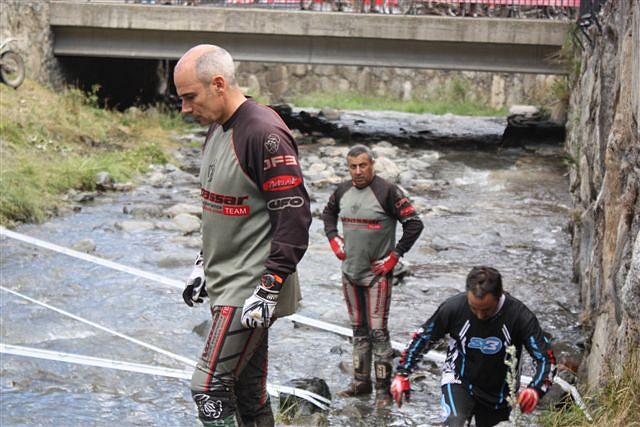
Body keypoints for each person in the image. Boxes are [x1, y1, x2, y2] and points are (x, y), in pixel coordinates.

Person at [174, 44, 311, 427]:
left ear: (218, 84)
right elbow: (216, 203)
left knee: (208, 387)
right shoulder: (217, 128)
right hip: (223, 279)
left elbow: (295, 215)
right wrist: (202, 263)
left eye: (190, 97)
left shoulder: (264, 133)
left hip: (250, 287)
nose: (185, 108)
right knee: (248, 394)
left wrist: (269, 287)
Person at [321, 144, 424, 405]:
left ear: (372, 165)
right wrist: (334, 239)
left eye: (363, 165)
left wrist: (395, 255)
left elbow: (414, 224)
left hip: (377, 276)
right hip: (349, 273)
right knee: (358, 330)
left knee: (378, 332)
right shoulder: (342, 190)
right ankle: (360, 383)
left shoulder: (387, 191)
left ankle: (382, 391)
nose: (358, 171)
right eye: (353, 166)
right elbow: (328, 214)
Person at [390, 266, 557, 427]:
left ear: (499, 296)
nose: (480, 315)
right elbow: (423, 338)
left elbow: (545, 359)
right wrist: (402, 373)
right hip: (458, 380)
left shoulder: (520, 316)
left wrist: (535, 389)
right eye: (473, 308)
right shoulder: (453, 308)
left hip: (499, 392)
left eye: (486, 310)